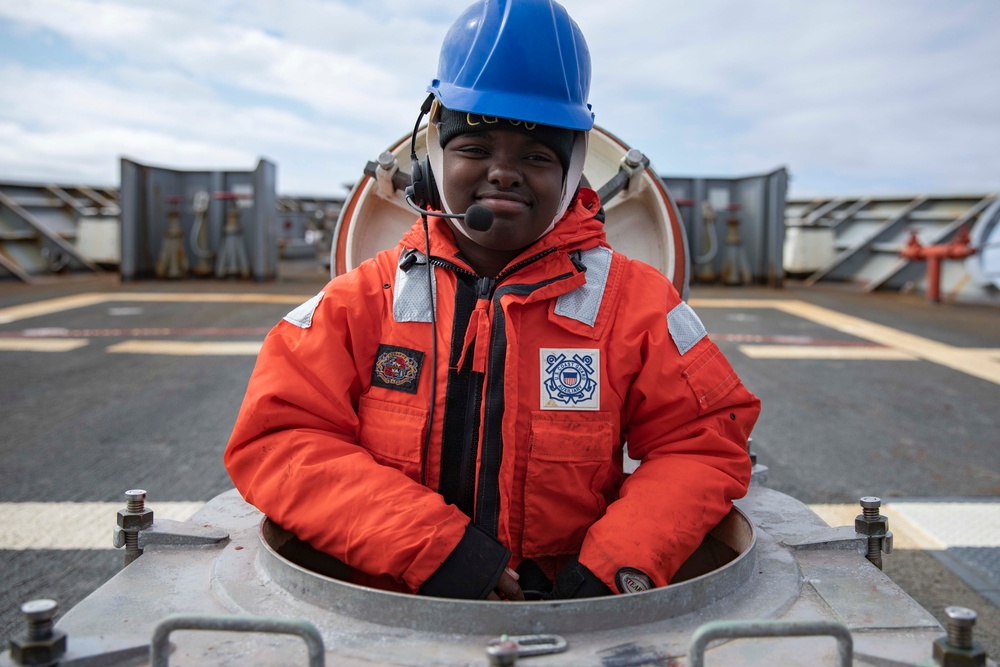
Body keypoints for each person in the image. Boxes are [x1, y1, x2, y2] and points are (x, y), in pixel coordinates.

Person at [224, 0, 760, 601]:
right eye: (475, 149)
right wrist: (432, 547)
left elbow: (703, 443)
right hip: (391, 613)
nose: (503, 173)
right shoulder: (357, 304)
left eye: (535, 156)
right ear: (431, 163)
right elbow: (278, 439)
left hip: (575, 616)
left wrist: (617, 567)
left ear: (572, 175)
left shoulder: (638, 306)